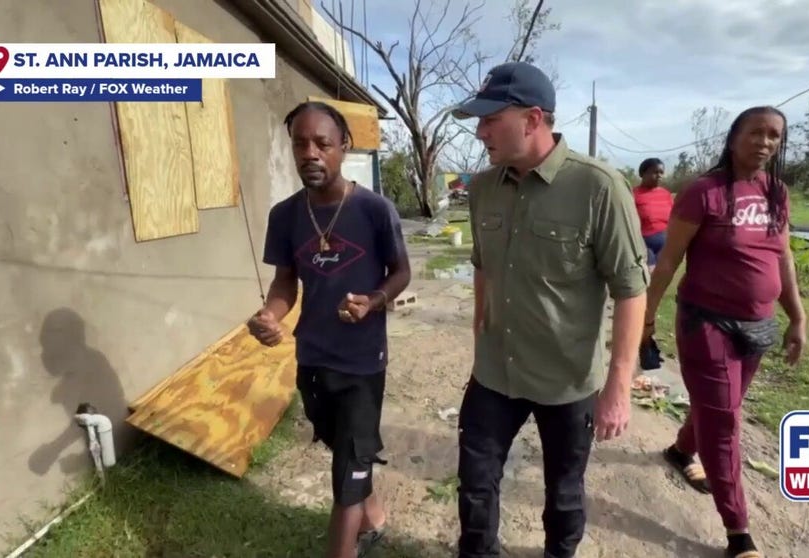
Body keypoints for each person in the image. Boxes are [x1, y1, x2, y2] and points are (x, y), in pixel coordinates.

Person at [451, 61, 650, 558]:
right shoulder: (482, 188)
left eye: (490, 120)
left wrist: (618, 388)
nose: (481, 132)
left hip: (568, 380)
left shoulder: (599, 187)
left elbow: (631, 289)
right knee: (475, 487)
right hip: (496, 372)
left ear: (533, 118)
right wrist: (480, 330)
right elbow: (482, 265)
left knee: (563, 495)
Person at [247, 101, 412, 558]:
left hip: (361, 362)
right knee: (342, 447)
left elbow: (401, 273)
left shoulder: (375, 210)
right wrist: (270, 316)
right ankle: (374, 515)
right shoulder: (285, 216)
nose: (310, 153)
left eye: (322, 143)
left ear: (344, 147)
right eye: (300, 143)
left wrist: (374, 301)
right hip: (313, 357)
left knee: (347, 474)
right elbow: (285, 281)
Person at [642, 106, 807, 558]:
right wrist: (648, 318)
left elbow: (783, 256)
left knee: (721, 407)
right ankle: (739, 534)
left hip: (758, 324)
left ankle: (679, 452)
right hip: (706, 323)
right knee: (725, 423)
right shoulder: (705, 192)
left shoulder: (777, 192)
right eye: (755, 132)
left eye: (775, 135)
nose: (765, 142)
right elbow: (669, 260)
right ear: (734, 137)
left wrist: (797, 315)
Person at [631, 157, 674, 271]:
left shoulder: (666, 194)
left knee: (660, 278)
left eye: (661, 172)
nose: (659, 175)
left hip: (664, 244)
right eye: (655, 172)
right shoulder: (632, 195)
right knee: (648, 276)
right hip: (643, 244)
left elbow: (673, 218)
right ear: (642, 173)